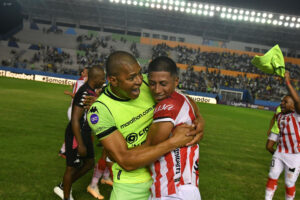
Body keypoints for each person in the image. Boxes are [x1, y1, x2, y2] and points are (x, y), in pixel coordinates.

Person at [87, 51, 203, 200]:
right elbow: (125, 161)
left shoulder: (151, 83)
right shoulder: (100, 110)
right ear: (113, 80)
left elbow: (181, 99)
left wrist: (199, 119)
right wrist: (173, 142)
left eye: (140, 73)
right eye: (131, 78)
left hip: (164, 179)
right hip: (131, 186)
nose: (139, 81)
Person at [146, 56, 203, 200]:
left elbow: (149, 150)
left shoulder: (167, 106)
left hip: (170, 190)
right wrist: (201, 120)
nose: (157, 89)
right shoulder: (182, 98)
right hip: (188, 187)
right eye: (152, 83)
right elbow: (197, 112)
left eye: (163, 84)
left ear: (176, 81)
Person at [54, 65, 106, 200]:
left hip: (85, 133)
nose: (104, 80)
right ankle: (66, 195)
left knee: (89, 163)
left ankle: (63, 186)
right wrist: (81, 144)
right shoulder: (84, 92)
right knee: (71, 167)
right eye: (102, 78)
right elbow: (75, 120)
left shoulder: (92, 91)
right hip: (76, 134)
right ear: (96, 78)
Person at [265, 71, 300, 200]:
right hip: (280, 152)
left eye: (285, 102)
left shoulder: (297, 115)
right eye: (281, 101)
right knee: (272, 175)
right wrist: (271, 137)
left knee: (289, 182)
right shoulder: (280, 116)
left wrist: (287, 82)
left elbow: (297, 100)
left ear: (293, 106)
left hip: (295, 155)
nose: (282, 103)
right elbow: (278, 131)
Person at [59, 67, 89, 157]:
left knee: (76, 131)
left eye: (84, 72)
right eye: (83, 72)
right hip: (75, 110)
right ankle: (68, 151)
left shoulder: (87, 84)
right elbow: (76, 96)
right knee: (77, 132)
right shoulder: (80, 82)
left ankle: (67, 150)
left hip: (83, 111)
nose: (82, 73)